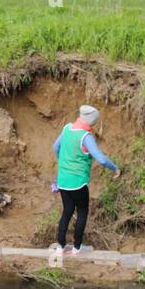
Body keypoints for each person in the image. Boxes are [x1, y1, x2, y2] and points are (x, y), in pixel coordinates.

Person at [52, 104, 120, 254]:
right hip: (78, 183)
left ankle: (60, 246)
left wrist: (63, 163)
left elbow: (55, 147)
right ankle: (76, 248)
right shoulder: (85, 136)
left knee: (67, 211)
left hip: (63, 181)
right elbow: (101, 159)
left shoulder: (67, 128)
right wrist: (115, 168)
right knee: (82, 211)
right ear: (91, 121)